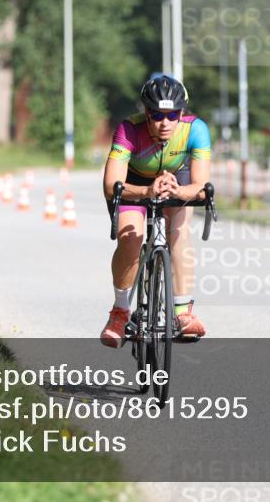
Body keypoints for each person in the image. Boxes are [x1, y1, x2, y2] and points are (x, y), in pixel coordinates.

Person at [101, 75, 211, 348]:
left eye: (172, 115)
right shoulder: (128, 130)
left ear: (181, 113)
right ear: (145, 113)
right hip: (135, 184)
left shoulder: (196, 130)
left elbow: (200, 186)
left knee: (179, 232)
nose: (165, 123)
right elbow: (110, 185)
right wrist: (148, 191)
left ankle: (182, 313)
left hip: (178, 180)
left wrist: (177, 192)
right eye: (157, 115)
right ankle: (120, 311)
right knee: (131, 237)